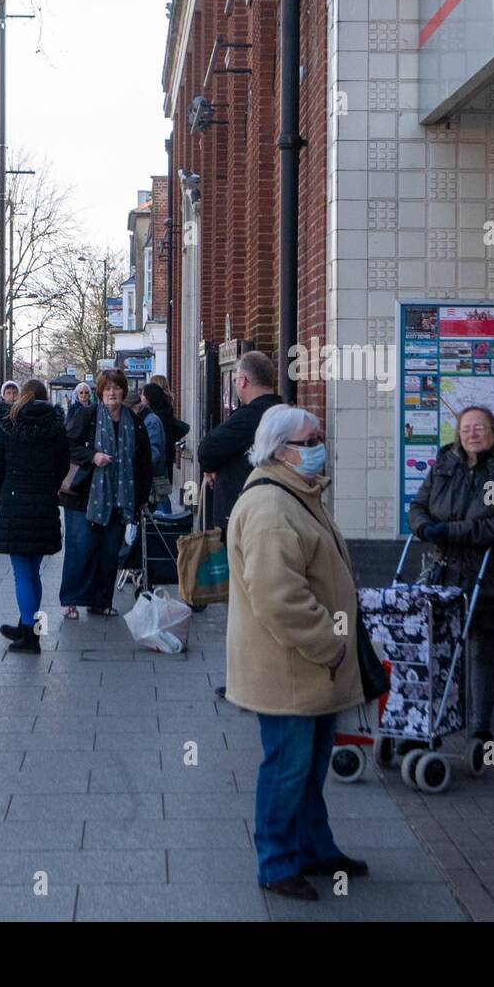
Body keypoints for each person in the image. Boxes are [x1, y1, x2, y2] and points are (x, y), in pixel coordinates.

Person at [225, 405, 366, 901]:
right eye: (311, 441)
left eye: (319, 438)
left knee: (309, 766)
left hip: (312, 668)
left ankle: (313, 847)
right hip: (292, 667)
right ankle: (277, 863)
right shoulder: (272, 508)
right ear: (280, 449)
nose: (319, 447)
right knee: (287, 767)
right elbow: (279, 599)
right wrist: (329, 645)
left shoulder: (297, 493)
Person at [407, 406, 494, 747]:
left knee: (481, 648)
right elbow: (418, 507)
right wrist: (423, 527)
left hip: (491, 573)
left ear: (493, 431)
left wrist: (452, 531)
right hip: (445, 571)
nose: (472, 434)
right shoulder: (445, 464)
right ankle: (432, 723)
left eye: (479, 427)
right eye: (466, 428)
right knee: (439, 647)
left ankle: (480, 730)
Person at [58, 369, 151, 618]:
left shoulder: (134, 421)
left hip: (119, 498)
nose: (112, 392)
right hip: (83, 496)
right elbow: (66, 445)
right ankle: (71, 601)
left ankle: (101, 602)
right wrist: (93, 456)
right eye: (107, 388)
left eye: (116, 388)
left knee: (110, 550)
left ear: (123, 391)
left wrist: (142, 497)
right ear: (100, 392)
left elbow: (143, 461)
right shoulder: (87, 415)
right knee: (82, 547)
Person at [0, 379, 70, 653]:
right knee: (33, 571)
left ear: (22, 396)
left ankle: (29, 632)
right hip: (45, 502)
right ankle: (29, 627)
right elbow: (63, 464)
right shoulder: (56, 426)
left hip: (15, 500)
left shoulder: (8, 423)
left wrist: (2, 494)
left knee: (21, 572)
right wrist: (48, 488)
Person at [197, 350, 282, 537]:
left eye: (236, 380)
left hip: (242, 514)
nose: (236, 384)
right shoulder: (284, 412)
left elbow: (207, 450)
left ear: (243, 381)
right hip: (277, 509)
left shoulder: (248, 417)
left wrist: (210, 466)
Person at [139, 381, 176, 509]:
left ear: (149, 398)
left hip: (156, 476)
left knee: (161, 508)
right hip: (160, 471)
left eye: (143, 395)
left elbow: (154, 451)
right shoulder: (160, 415)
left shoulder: (153, 420)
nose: (140, 398)